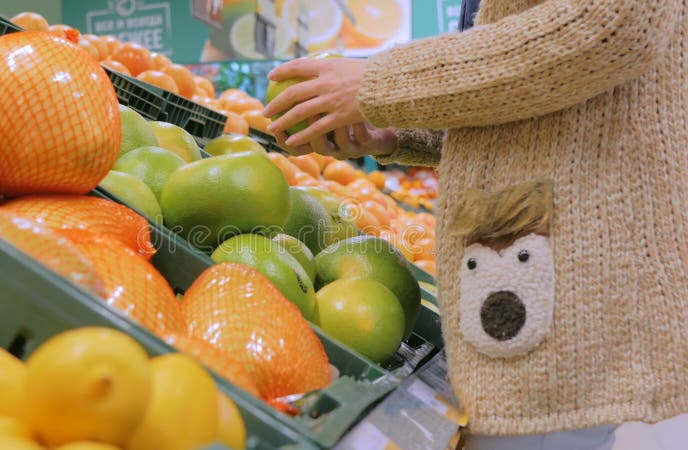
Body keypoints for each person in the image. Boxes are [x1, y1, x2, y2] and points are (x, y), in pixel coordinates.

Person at [262, 0, 688, 448]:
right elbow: (526, 96)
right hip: (529, 267)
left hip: (563, 277)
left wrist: (381, 81)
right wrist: (397, 132)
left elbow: (613, 25)